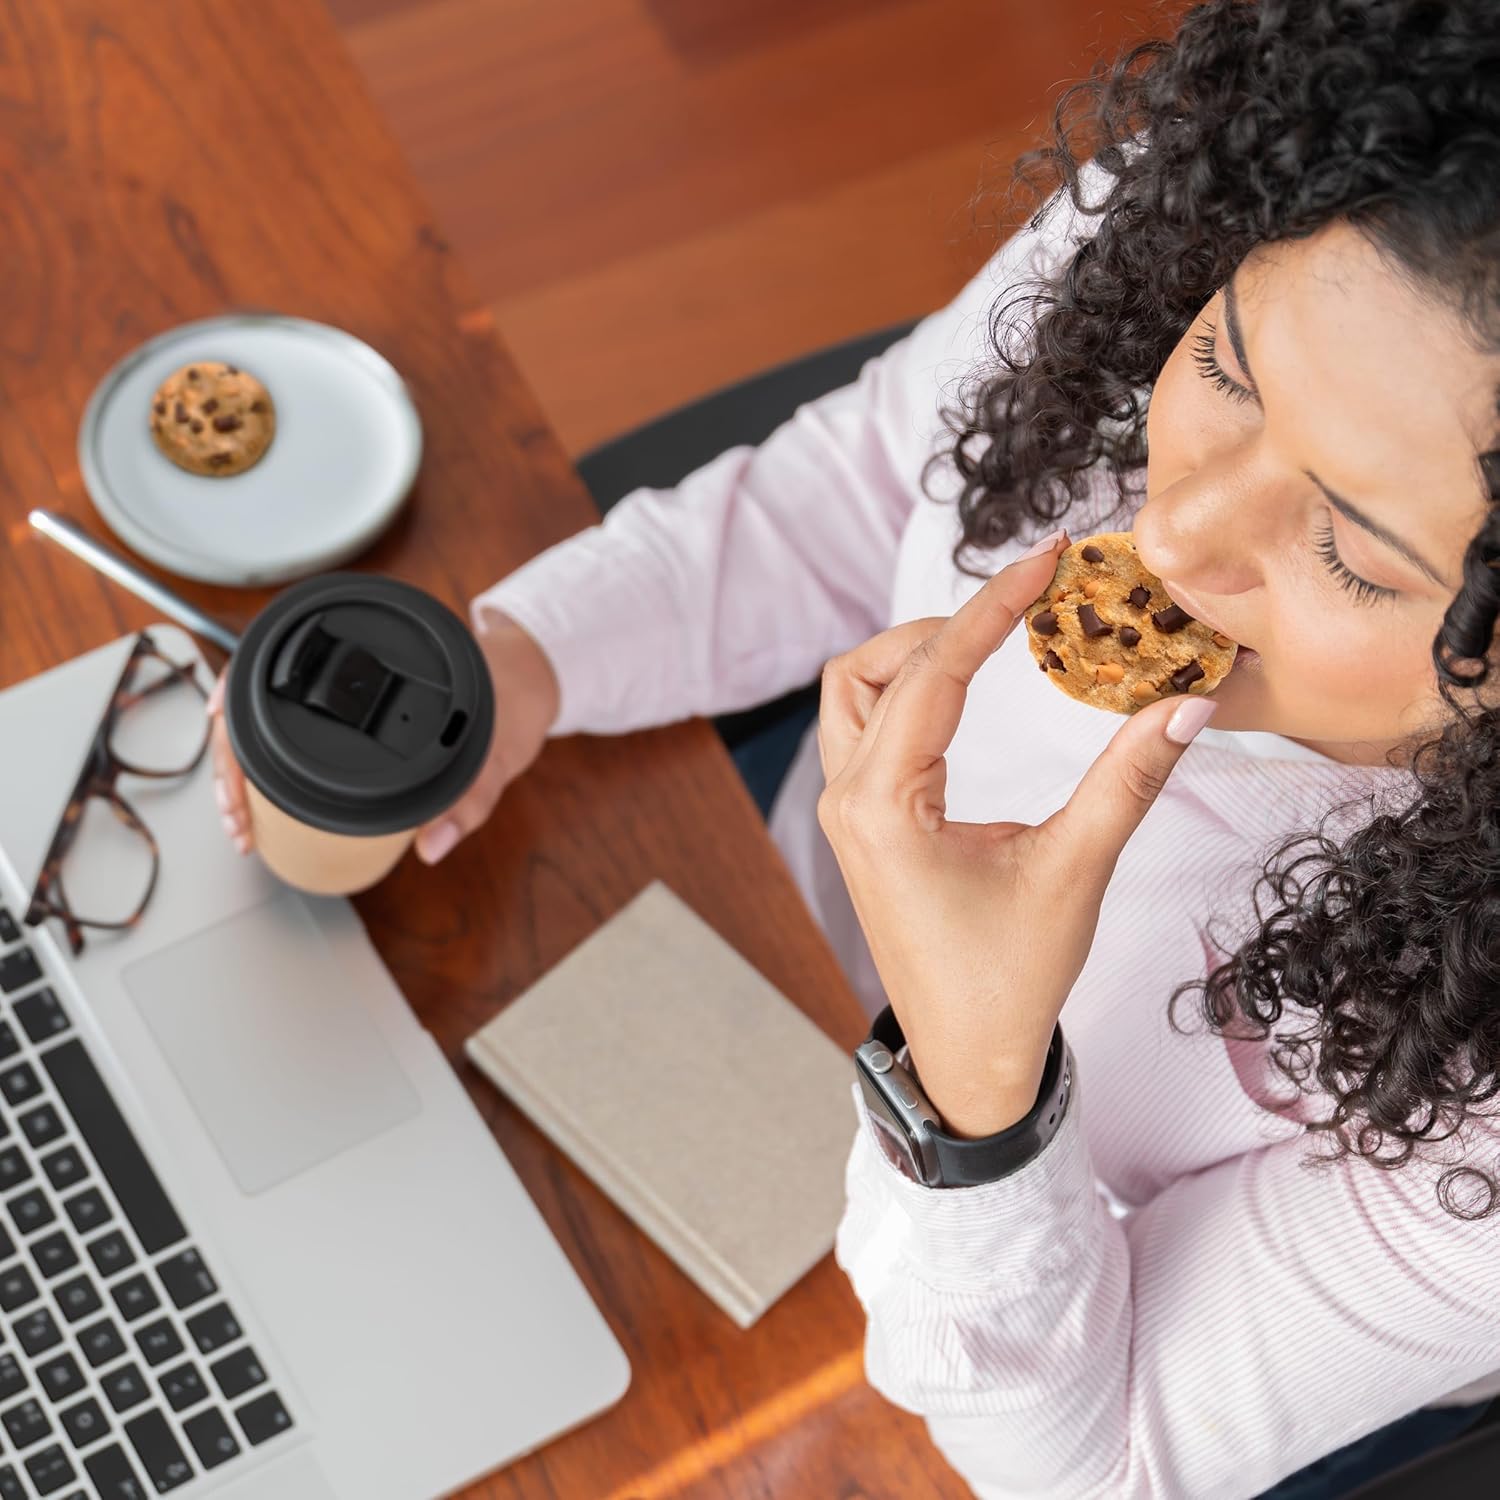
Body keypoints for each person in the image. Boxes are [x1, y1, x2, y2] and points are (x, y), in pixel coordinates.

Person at [208, 0, 1500, 1492]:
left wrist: (974, 1088)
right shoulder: (1239, 213)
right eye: (1227, 371)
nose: (1170, 525)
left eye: (1350, 552)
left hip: (1008, 1310)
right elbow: (871, 489)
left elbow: (1093, 1456)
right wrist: (535, 659)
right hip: (765, 963)